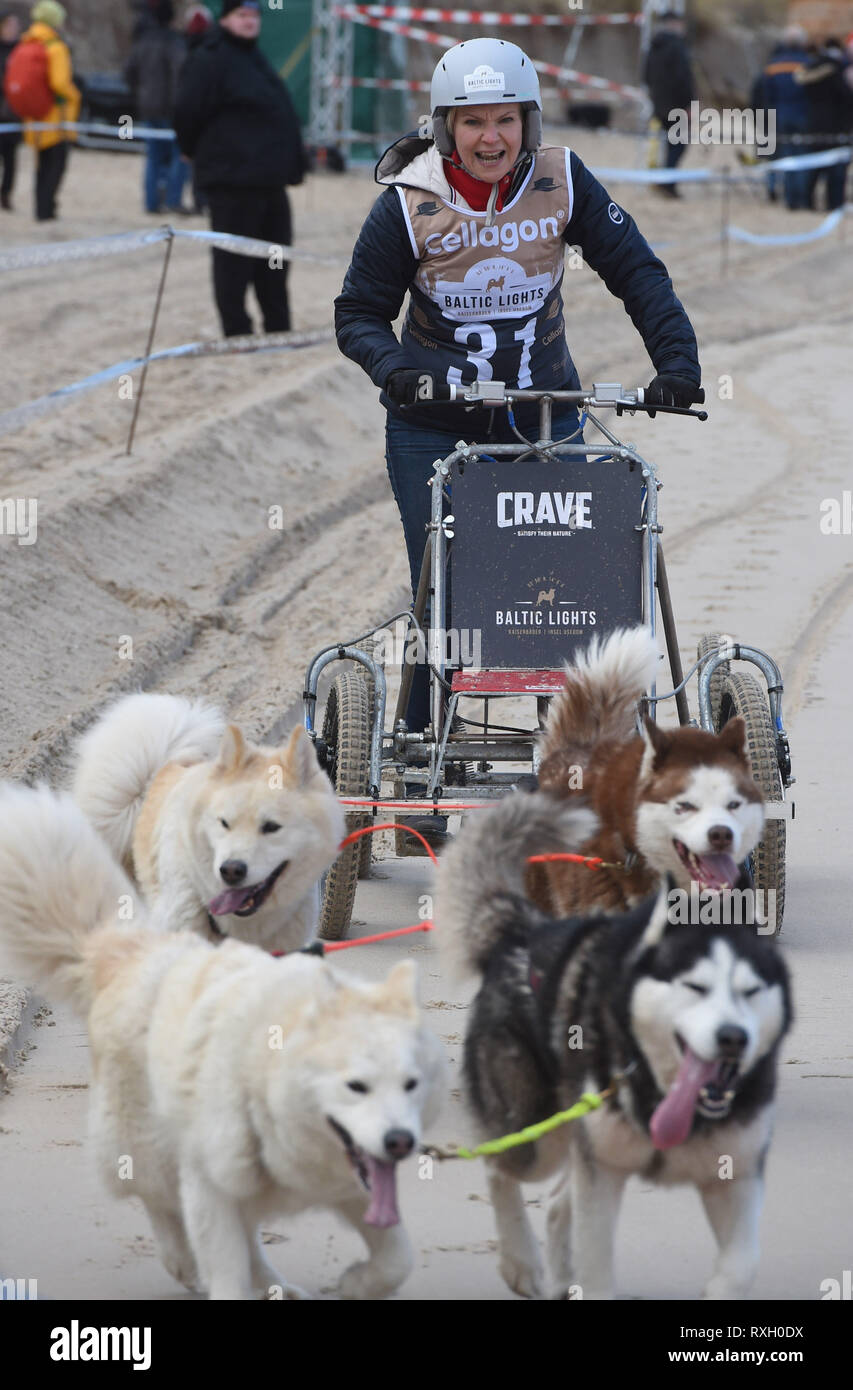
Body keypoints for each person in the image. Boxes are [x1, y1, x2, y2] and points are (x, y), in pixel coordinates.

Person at [335, 38, 703, 735]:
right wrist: (397, 372)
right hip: (432, 426)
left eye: (504, 119)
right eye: (472, 122)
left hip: (546, 415)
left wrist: (676, 364)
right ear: (446, 128)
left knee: (571, 586)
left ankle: (585, 750)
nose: (490, 137)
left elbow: (637, 273)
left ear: (527, 122)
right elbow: (356, 314)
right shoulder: (408, 201)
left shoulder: (563, 179)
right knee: (441, 589)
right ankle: (418, 751)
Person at [173, 0, 308, 337]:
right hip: (232, 182)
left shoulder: (254, 57)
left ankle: (279, 329)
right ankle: (236, 332)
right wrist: (192, 150)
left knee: (276, 261)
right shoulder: (209, 58)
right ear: (227, 19)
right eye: (242, 15)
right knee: (233, 264)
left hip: (271, 180)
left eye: (254, 15)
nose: (250, 22)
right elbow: (186, 111)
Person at [17, 0, 80, 220]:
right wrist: (76, 95)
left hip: (34, 116)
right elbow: (60, 83)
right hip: (56, 118)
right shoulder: (55, 47)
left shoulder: (26, 42)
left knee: (40, 165)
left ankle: (40, 209)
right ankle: (47, 210)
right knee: (56, 165)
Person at [124, 0, 187, 215]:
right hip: (171, 109)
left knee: (153, 156)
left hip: (148, 106)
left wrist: (139, 94)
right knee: (179, 155)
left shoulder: (143, 41)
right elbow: (180, 74)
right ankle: (172, 199)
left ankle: (152, 203)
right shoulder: (174, 42)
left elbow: (129, 73)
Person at [751, 26, 813, 209]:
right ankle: (800, 197)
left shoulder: (773, 67)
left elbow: (765, 96)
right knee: (802, 157)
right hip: (803, 116)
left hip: (780, 117)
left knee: (785, 156)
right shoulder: (808, 65)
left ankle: (788, 198)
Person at [795, 36, 853, 210]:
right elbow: (846, 98)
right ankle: (834, 204)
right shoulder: (838, 71)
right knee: (835, 170)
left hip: (813, 123)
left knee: (812, 166)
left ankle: (806, 201)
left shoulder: (809, 68)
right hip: (837, 127)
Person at [642, 10, 695, 198]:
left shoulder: (653, 46)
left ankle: (663, 179)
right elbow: (684, 79)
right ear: (675, 24)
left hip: (659, 106)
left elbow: (646, 76)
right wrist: (688, 105)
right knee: (678, 144)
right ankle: (667, 182)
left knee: (667, 143)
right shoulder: (677, 47)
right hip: (677, 107)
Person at [0, 9, 22, 210]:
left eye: (16, 25)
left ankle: (6, 194)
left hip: (13, 112)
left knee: (11, 159)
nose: (13, 29)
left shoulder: (21, 50)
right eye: (9, 25)